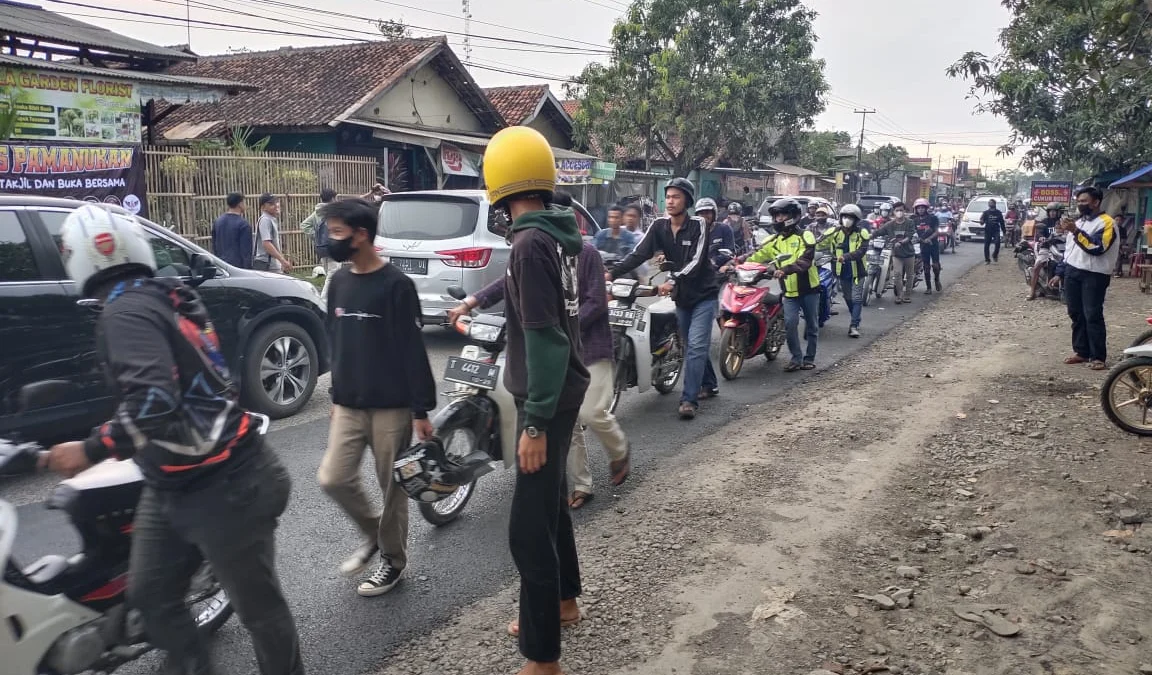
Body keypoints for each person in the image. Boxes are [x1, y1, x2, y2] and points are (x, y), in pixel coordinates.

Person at [43, 204, 302, 675]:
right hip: (173, 481)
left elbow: (154, 400)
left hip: (227, 484)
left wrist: (90, 448)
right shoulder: (165, 293)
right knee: (151, 596)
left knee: (259, 612)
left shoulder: (125, 311)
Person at [481, 126, 589, 675]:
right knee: (549, 508)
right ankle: (564, 602)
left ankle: (543, 659)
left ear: (498, 184)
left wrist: (534, 425)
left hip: (546, 398)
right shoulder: (552, 234)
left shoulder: (527, 242)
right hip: (565, 389)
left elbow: (544, 338)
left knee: (527, 527)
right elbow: (526, 300)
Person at [448, 241, 631, 513]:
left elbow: (595, 301)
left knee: (592, 413)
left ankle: (620, 450)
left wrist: (559, 331)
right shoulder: (532, 249)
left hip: (588, 347)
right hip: (551, 351)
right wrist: (469, 302)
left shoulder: (586, 254)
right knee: (568, 419)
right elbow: (504, 281)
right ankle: (583, 484)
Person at [318, 198, 437, 597]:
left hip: (392, 406)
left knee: (392, 488)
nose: (330, 239)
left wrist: (420, 410)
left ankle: (393, 561)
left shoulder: (396, 286)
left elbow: (411, 350)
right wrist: (335, 396)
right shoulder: (339, 281)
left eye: (337, 232)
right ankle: (374, 533)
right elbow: (337, 343)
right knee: (333, 478)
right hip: (349, 404)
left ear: (362, 234)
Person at [609, 178, 720, 419]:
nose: (670, 201)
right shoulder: (659, 226)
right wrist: (611, 272)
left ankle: (689, 400)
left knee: (697, 345)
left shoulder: (699, 224)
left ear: (687, 201)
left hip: (704, 294)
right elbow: (639, 253)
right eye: (668, 196)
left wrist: (673, 280)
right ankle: (709, 383)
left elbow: (696, 261)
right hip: (682, 296)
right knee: (691, 344)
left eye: (676, 197)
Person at [730, 198, 819, 371]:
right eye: (776, 215)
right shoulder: (774, 239)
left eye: (782, 214)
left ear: (793, 216)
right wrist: (737, 261)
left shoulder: (805, 236)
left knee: (812, 325)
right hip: (789, 291)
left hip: (809, 289)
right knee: (790, 324)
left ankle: (809, 358)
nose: (779, 218)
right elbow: (757, 253)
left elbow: (805, 260)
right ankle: (796, 358)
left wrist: (785, 270)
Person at [1056, 186, 1119, 370]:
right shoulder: (1080, 222)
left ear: (1096, 202)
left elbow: (1097, 248)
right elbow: (1070, 251)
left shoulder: (1107, 223)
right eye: (1079, 201)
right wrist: (1060, 271)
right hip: (1073, 271)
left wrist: (1075, 232)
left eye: (1084, 201)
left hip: (1095, 274)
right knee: (1075, 313)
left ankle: (1098, 356)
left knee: (1092, 314)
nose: (1080, 204)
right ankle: (1081, 352)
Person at [827, 204, 870, 337]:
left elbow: (861, 251)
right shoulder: (835, 232)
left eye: (851, 217)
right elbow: (820, 242)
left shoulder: (862, 233)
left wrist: (845, 256)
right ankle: (856, 317)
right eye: (845, 217)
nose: (847, 219)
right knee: (847, 297)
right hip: (842, 271)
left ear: (856, 220)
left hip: (857, 270)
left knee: (857, 298)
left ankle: (853, 325)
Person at [876, 201, 918, 304]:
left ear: (904, 211)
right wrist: (868, 236)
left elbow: (909, 236)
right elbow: (879, 231)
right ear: (893, 212)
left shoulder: (910, 222)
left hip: (909, 253)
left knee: (909, 275)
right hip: (897, 254)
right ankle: (899, 295)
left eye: (901, 210)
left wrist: (901, 242)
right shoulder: (889, 224)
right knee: (897, 274)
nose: (899, 212)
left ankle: (907, 295)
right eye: (897, 210)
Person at [300, 187, 338, 274]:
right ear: (332, 198)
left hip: (321, 247)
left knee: (329, 272)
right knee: (333, 274)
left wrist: (317, 236)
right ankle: (327, 288)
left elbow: (304, 225)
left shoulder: (317, 212)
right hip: (333, 246)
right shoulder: (334, 211)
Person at [211, 192, 253, 269]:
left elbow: (214, 246)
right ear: (240, 204)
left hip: (221, 266)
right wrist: (248, 268)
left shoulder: (217, 222)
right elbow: (246, 252)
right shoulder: (243, 225)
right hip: (237, 268)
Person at [253, 193, 292, 273]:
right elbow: (266, 244)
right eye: (271, 204)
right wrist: (282, 260)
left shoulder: (270, 219)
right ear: (263, 207)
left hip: (271, 263)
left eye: (276, 202)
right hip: (267, 264)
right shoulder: (265, 220)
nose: (276, 205)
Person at [912, 198, 942, 294]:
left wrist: (929, 238)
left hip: (933, 245)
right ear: (916, 209)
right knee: (926, 267)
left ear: (926, 208)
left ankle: (937, 279)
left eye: (922, 208)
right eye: (918, 208)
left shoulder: (933, 218)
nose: (920, 210)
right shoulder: (914, 220)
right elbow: (912, 232)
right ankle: (928, 287)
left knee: (935, 266)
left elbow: (937, 231)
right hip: (922, 246)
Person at [697, 198, 735, 269]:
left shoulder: (724, 229)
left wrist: (714, 261)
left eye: (707, 213)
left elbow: (730, 252)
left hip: (719, 270)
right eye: (701, 213)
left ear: (714, 214)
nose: (704, 216)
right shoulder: (693, 232)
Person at [980, 199, 1006, 264]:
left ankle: (995, 255)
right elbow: (982, 222)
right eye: (989, 203)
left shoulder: (998, 213)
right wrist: (981, 221)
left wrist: (1004, 232)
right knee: (986, 245)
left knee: (997, 243)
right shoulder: (985, 213)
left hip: (996, 230)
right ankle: (987, 260)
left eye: (991, 203)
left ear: (994, 204)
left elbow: (1002, 223)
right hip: (988, 231)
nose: (989, 204)